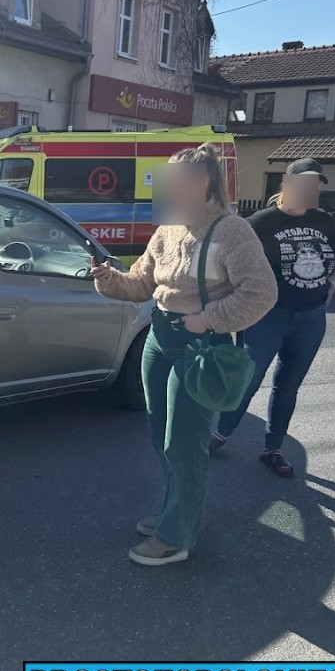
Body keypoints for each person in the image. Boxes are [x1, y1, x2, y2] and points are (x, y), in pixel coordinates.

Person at [91, 144, 277, 567]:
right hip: (159, 338)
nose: (166, 188)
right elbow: (141, 283)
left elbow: (262, 293)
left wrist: (208, 318)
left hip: (201, 345)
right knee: (162, 436)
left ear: (204, 182)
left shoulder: (233, 231)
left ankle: (176, 538)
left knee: (184, 443)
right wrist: (108, 279)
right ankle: (174, 512)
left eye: (175, 181)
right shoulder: (168, 227)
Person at [211, 158, 335, 477]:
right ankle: (219, 434)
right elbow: (221, 255)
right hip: (267, 315)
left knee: (288, 387)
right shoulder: (262, 221)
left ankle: (273, 449)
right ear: (287, 184)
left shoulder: (324, 220)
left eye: (316, 185)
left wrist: (333, 281)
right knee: (248, 380)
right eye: (306, 183)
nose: (312, 190)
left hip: (310, 318)